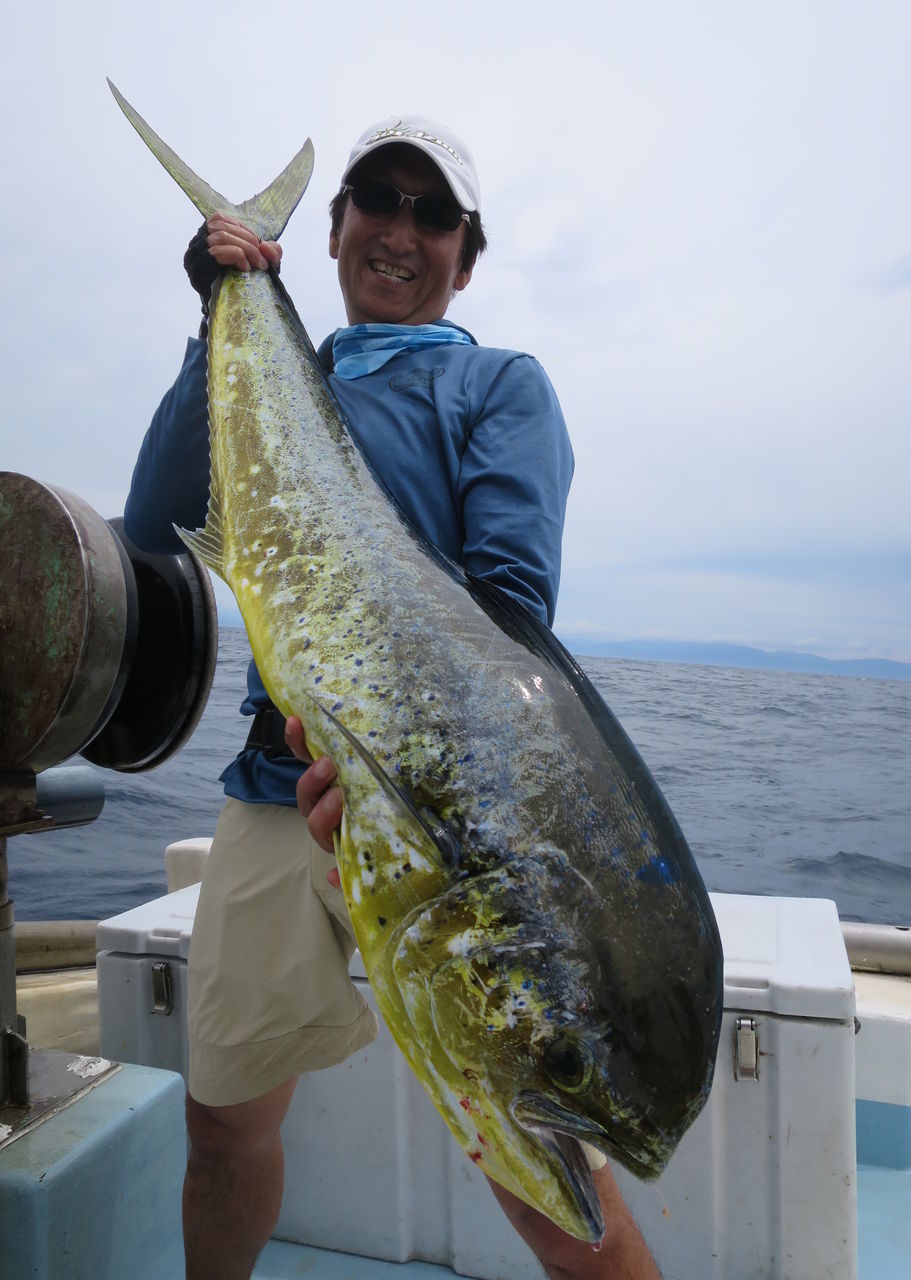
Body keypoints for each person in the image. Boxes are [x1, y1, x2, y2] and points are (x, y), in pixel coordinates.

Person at [125, 114, 662, 1280]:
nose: (401, 229)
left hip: (439, 816)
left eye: (435, 213)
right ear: (332, 230)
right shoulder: (275, 372)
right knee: (222, 1122)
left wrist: (403, 779)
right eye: (379, 199)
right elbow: (151, 518)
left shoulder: (499, 383)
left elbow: (510, 607)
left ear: (467, 256)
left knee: (536, 1163)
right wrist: (217, 308)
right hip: (279, 787)